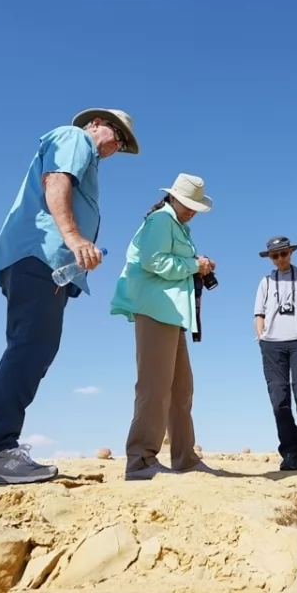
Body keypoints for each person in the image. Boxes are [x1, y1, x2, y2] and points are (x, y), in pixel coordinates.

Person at [0, 108, 139, 485]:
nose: (117, 146)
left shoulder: (89, 159)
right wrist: (74, 238)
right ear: (95, 124)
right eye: (117, 135)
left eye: (123, 144)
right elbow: (56, 179)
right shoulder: (74, 138)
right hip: (40, 256)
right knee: (31, 347)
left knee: (33, 348)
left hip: (51, 267)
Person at [111, 174, 219, 481]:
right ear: (173, 197)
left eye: (195, 206)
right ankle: (140, 459)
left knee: (181, 389)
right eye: (187, 203)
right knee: (154, 387)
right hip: (156, 311)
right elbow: (153, 261)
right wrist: (194, 266)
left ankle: (184, 458)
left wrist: (196, 264)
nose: (190, 210)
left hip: (173, 314)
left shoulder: (178, 227)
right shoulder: (161, 220)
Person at [254, 236, 297, 471]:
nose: (280, 258)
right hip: (273, 346)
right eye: (275, 255)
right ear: (270, 258)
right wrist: (261, 336)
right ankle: (290, 452)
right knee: (279, 400)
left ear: (291, 253)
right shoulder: (265, 281)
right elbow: (259, 313)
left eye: (284, 253)